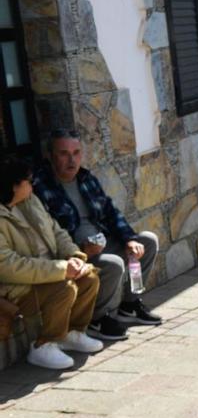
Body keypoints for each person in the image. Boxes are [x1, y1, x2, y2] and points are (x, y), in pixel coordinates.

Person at [33, 130, 161, 338]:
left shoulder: (86, 178)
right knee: (114, 263)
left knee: (147, 241)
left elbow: (110, 212)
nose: (71, 160)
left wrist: (128, 239)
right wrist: (81, 250)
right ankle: (97, 319)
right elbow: (48, 235)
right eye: (64, 154)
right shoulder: (40, 187)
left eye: (76, 153)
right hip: (75, 252)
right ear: (51, 156)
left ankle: (129, 305)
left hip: (102, 240)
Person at [1, 155, 103, 370]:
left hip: (52, 271)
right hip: (20, 288)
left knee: (89, 277)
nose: (32, 185)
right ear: (14, 186)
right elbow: (9, 267)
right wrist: (62, 269)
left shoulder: (31, 200)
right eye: (28, 181)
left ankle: (72, 333)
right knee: (63, 288)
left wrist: (74, 256)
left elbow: (57, 231)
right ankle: (43, 345)